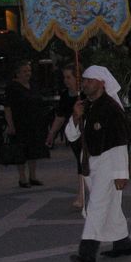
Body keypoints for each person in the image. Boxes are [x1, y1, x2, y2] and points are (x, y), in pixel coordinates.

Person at [65, 66, 131, 262]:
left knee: (97, 205)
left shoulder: (111, 108)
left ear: (102, 83)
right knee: (111, 207)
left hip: (109, 164)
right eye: (84, 80)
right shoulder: (85, 106)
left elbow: (120, 143)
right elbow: (72, 136)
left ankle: (87, 253)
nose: (85, 84)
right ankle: (122, 243)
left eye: (89, 81)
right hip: (91, 162)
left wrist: (121, 173)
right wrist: (76, 117)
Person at [3, 60, 50, 188]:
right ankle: (22, 178)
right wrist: (10, 125)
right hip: (20, 123)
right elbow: (7, 107)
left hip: (34, 122)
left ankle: (33, 176)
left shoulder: (33, 85)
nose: (27, 73)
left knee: (33, 150)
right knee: (21, 150)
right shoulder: (12, 87)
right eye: (24, 71)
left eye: (29, 71)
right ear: (18, 73)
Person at [46, 64, 84, 208]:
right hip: (74, 133)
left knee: (84, 162)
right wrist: (52, 133)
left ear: (77, 78)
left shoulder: (85, 93)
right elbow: (60, 117)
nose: (66, 81)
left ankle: (82, 194)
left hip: (87, 132)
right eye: (64, 77)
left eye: (69, 77)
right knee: (81, 162)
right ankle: (82, 194)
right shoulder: (65, 95)